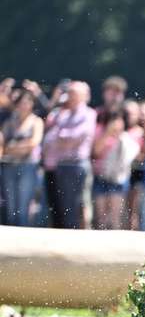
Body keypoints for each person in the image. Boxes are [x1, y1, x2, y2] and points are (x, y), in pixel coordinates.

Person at [42, 81, 96, 228]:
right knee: (62, 206)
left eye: (73, 93)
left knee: (78, 204)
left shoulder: (89, 114)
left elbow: (78, 136)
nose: (69, 96)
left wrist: (62, 137)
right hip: (62, 165)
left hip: (77, 165)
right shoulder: (63, 114)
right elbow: (51, 137)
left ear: (84, 96)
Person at [0, 89, 43, 225]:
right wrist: (19, 148)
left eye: (27, 102)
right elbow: (3, 146)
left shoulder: (36, 121)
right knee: (11, 206)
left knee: (23, 206)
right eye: (21, 102)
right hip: (8, 166)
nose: (24, 105)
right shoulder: (9, 122)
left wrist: (12, 148)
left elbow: (33, 143)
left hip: (28, 167)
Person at [91, 109, 139, 229]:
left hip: (119, 179)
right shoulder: (101, 134)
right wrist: (107, 133)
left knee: (115, 216)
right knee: (100, 217)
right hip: (101, 177)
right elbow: (96, 152)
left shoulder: (128, 137)